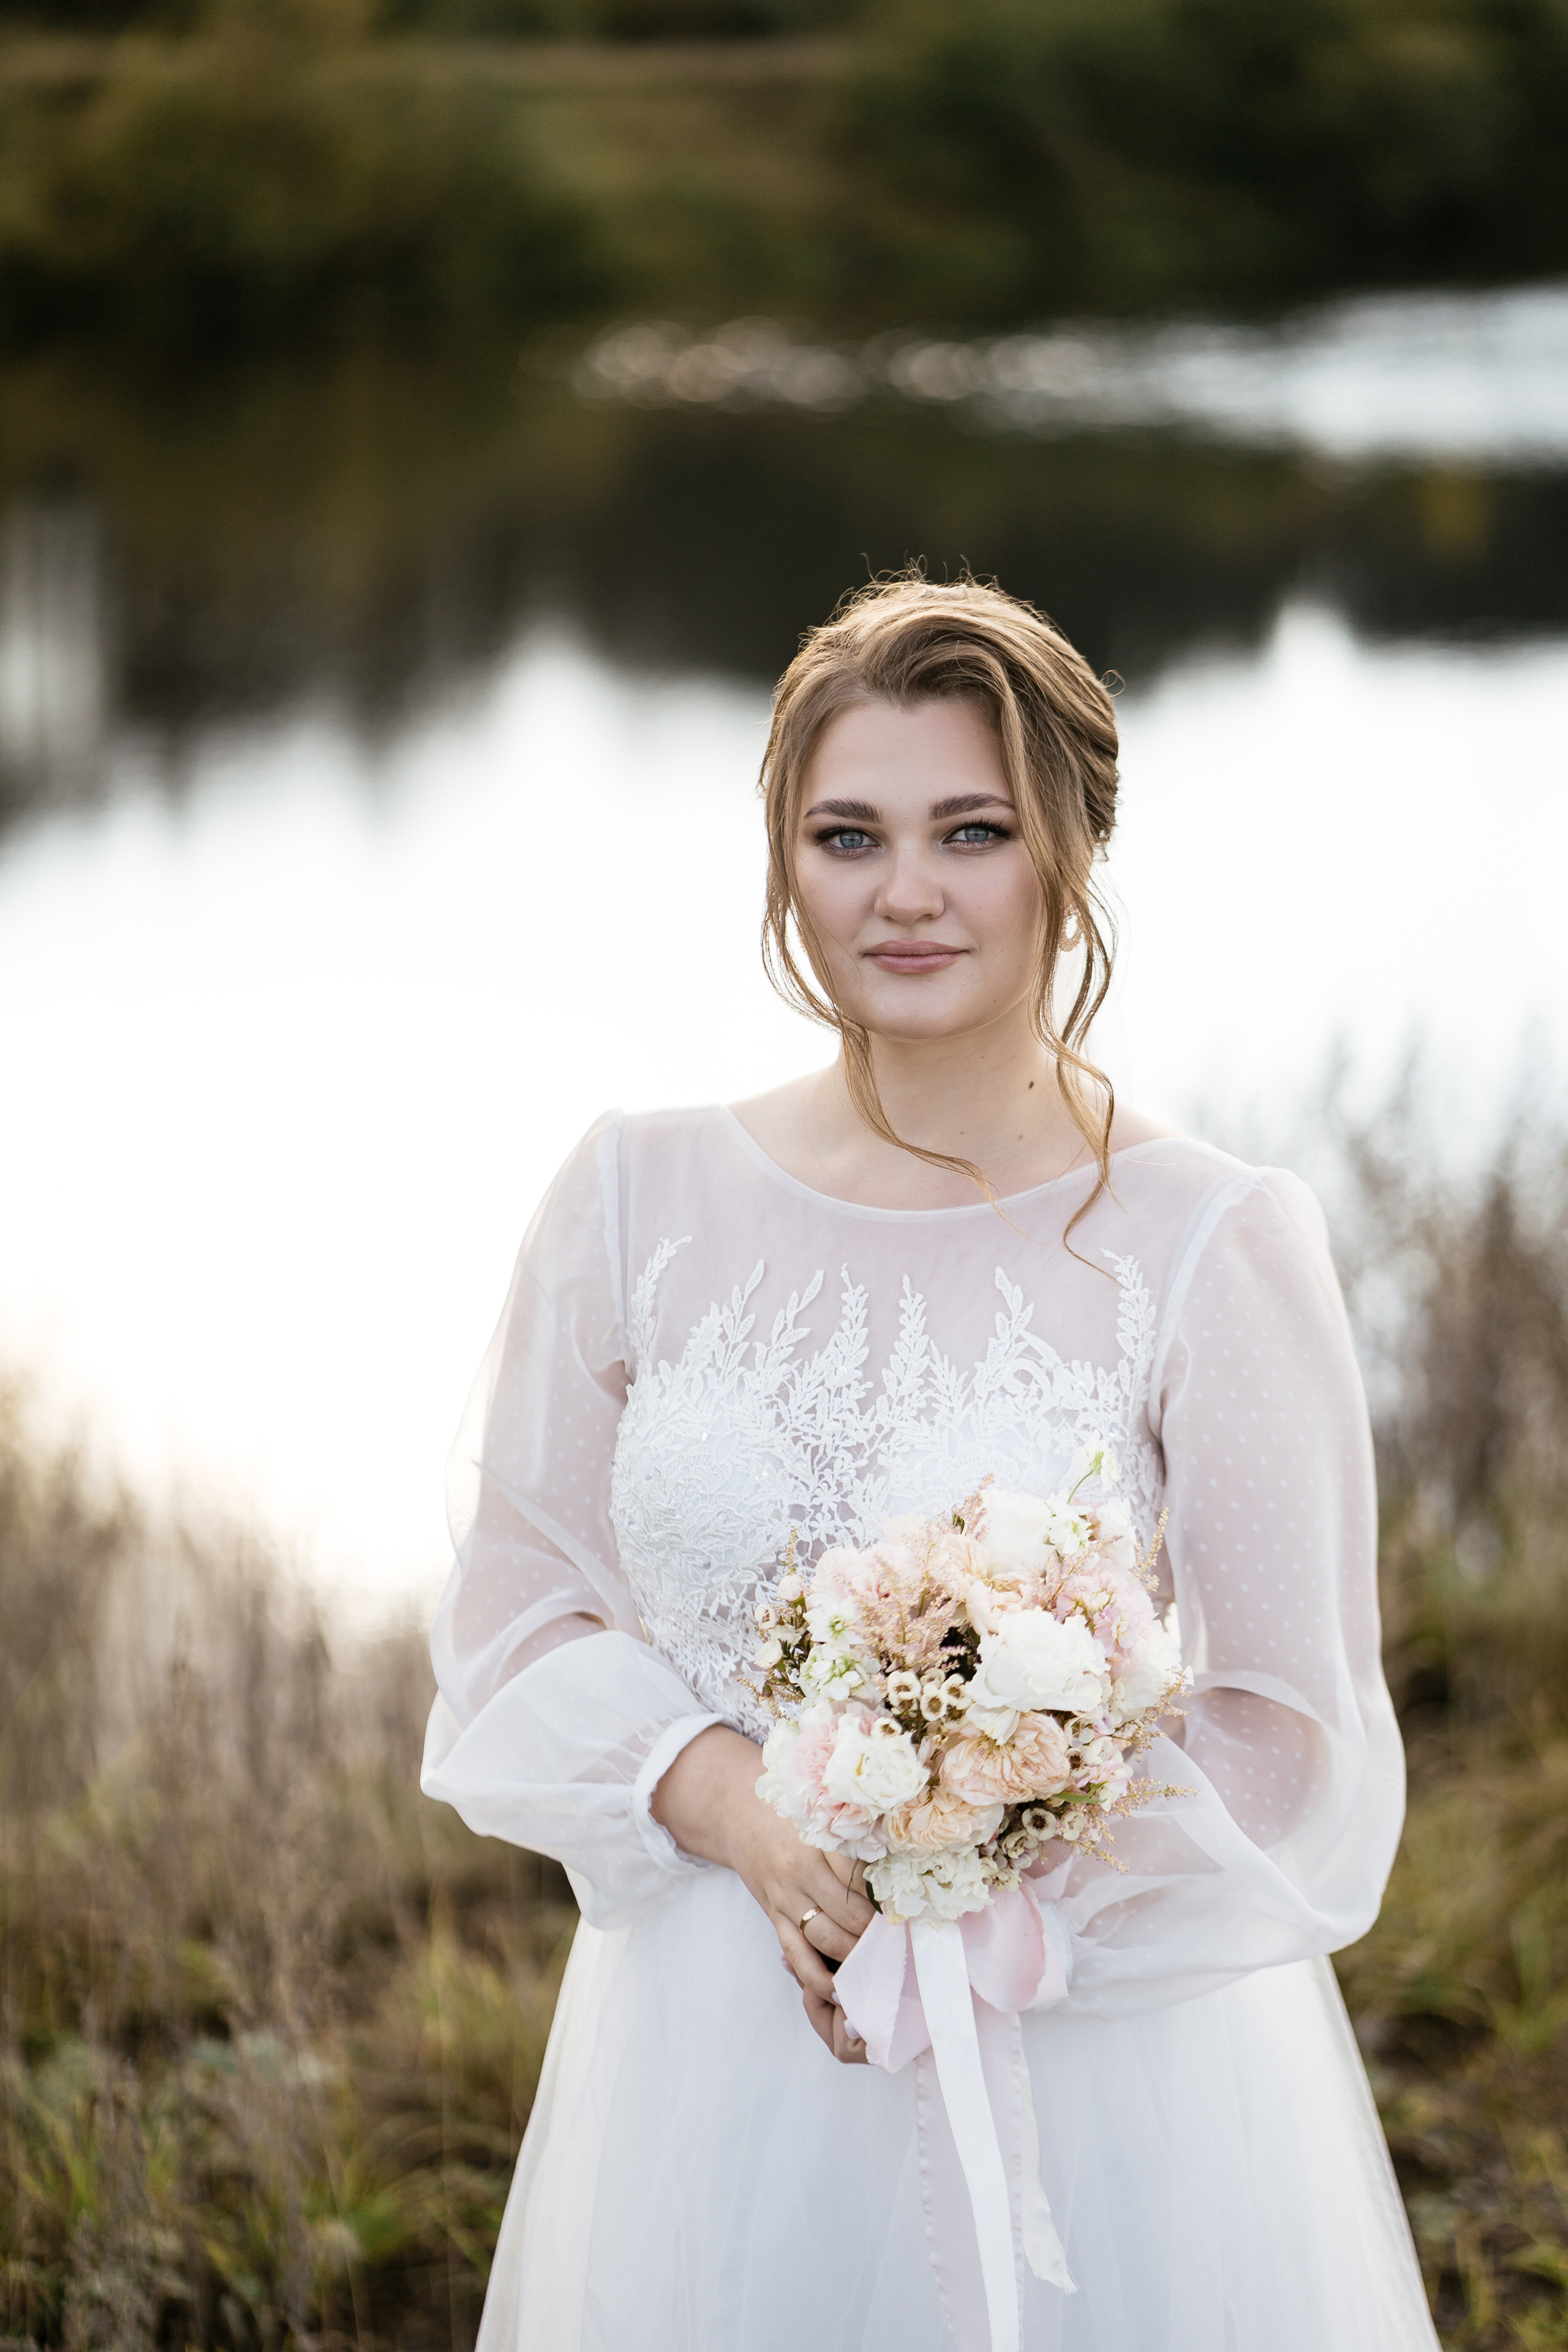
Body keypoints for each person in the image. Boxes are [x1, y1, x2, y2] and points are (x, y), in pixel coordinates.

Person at [421, 575, 1439, 2351]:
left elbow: (1293, 1734)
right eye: (848, 834)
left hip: (1097, 2058)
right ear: (783, 862)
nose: (904, 892)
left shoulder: (1212, 1240)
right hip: (712, 2044)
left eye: (972, 832)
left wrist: (997, 1915)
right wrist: (723, 1796)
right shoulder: (630, 1197)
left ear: (1071, 852)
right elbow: (516, 1620)